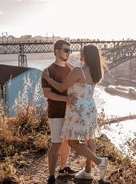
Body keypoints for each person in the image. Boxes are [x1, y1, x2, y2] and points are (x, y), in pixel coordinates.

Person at [42, 44, 108, 181]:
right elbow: (76, 74)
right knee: (90, 140)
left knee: (73, 142)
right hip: (90, 109)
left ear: (87, 56)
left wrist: (48, 79)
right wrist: (66, 63)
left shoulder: (78, 71)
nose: (79, 54)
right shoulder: (96, 72)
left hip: (78, 110)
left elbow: (61, 87)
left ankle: (99, 161)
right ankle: (88, 172)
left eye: (82, 52)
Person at [41, 40, 77, 184]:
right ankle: (51, 176)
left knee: (66, 142)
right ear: (56, 51)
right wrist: (65, 99)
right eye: (65, 50)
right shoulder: (48, 71)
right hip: (56, 113)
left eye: (70, 51)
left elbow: (79, 73)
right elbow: (47, 94)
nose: (68, 53)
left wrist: (67, 63)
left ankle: (63, 168)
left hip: (69, 113)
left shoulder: (70, 69)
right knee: (56, 143)